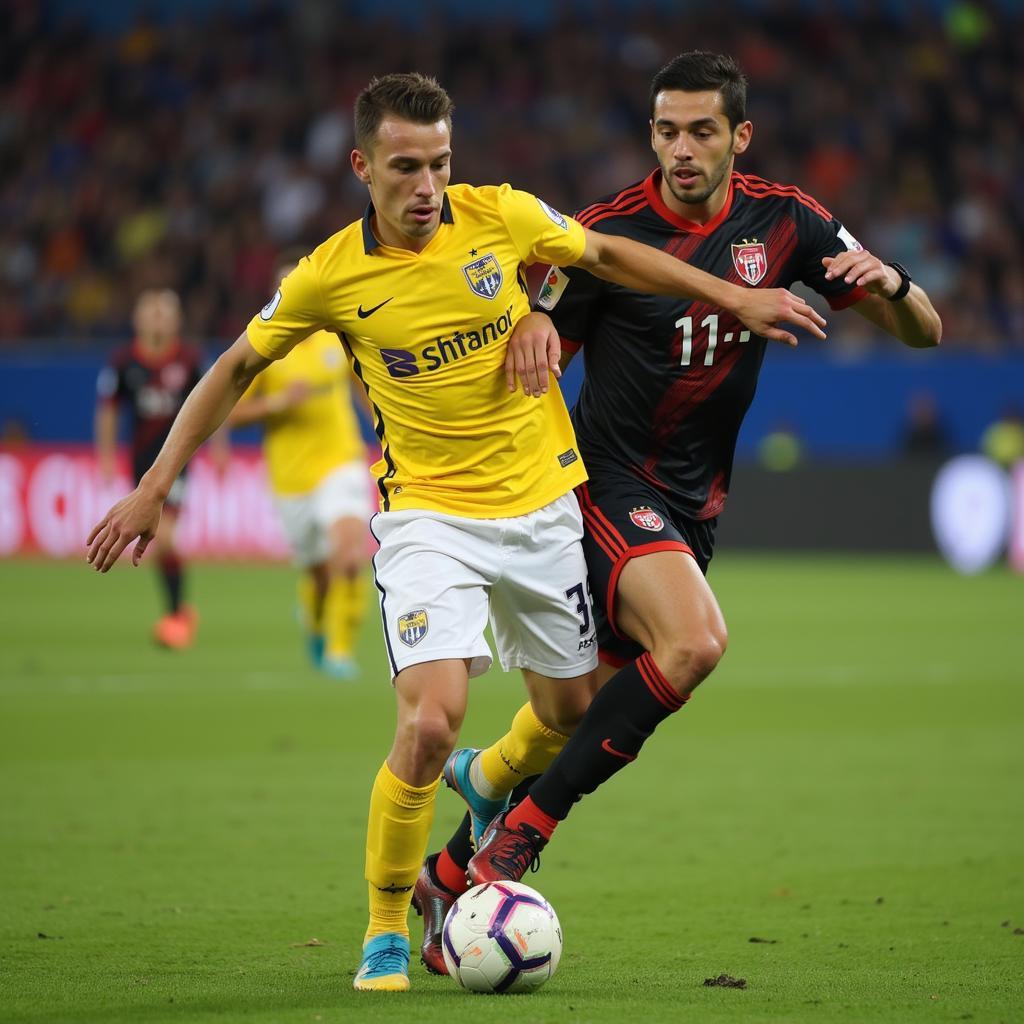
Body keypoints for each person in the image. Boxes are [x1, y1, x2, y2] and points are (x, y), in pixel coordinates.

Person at [85, 71, 827, 993]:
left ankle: (490, 782)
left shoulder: (501, 215)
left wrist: (732, 296)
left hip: (545, 509)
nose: (427, 184)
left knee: (566, 716)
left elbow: (604, 256)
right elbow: (237, 365)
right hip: (431, 518)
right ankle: (387, 929)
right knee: (430, 721)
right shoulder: (329, 276)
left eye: (440, 162)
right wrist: (155, 484)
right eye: (405, 166)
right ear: (362, 166)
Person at [415, 50, 941, 975]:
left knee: (589, 716)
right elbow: (539, 328)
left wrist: (892, 286)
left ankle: (449, 870)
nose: (682, 149)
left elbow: (925, 330)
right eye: (666, 130)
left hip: (693, 508)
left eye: (702, 130)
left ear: (741, 135)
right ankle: (521, 837)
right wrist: (537, 324)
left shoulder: (786, 221)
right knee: (696, 642)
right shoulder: (607, 234)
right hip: (604, 489)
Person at [227, 256, 373, 678]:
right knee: (319, 572)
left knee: (348, 556)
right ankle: (313, 621)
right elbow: (231, 413)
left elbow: (364, 388)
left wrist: (387, 435)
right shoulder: (266, 348)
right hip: (291, 477)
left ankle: (340, 649)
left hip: (341, 461)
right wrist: (276, 403)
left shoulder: (336, 336)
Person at [94, 288, 209, 648]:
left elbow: (212, 402)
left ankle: (177, 617)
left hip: (175, 463)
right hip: (141, 466)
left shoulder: (190, 360)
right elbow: (109, 409)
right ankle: (179, 613)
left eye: (165, 311)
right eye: (152, 311)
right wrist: (107, 455)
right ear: (137, 319)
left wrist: (219, 447)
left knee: (166, 539)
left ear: (177, 320)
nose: (158, 318)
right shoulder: (124, 362)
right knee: (159, 543)